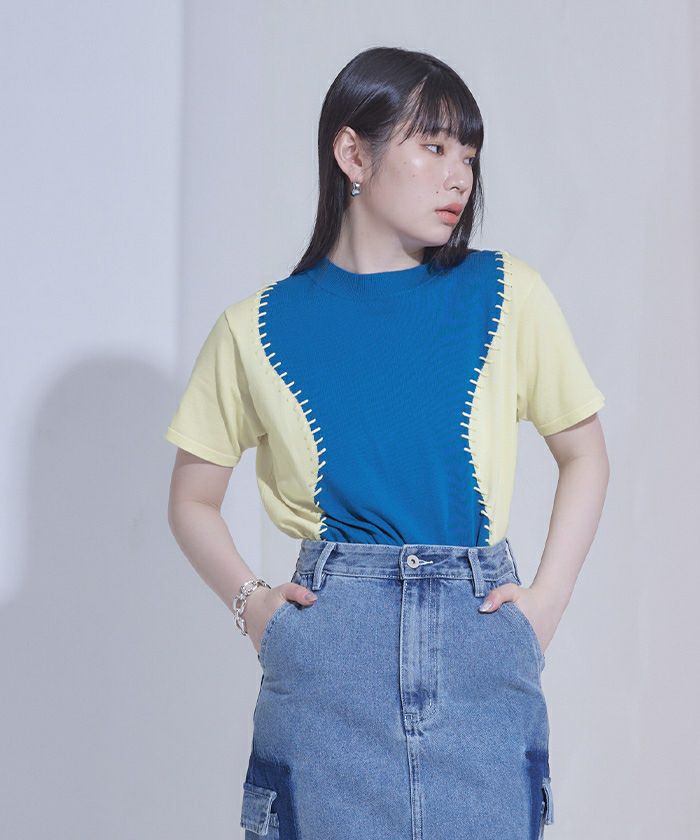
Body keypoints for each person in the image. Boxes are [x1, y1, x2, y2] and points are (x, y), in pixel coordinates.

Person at [164, 46, 609, 840]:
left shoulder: (507, 292)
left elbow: (585, 453)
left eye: (468, 154)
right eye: (433, 146)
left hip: (481, 649)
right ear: (353, 154)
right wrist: (252, 604)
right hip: (328, 661)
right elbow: (192, 499)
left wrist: (546, 602)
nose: (459, 176)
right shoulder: (252, 327)